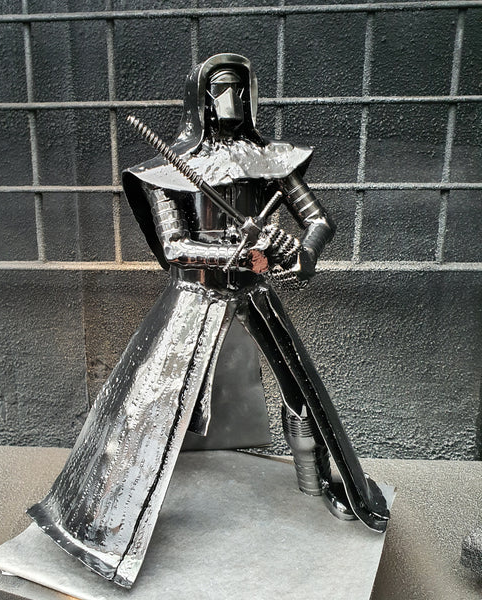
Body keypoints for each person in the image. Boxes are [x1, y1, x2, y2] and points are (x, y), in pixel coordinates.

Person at [28, 53, 389, 589]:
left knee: (300, 390)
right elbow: (175, 246)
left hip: (256, 289)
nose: (231, 100)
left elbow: (317, 220)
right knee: (148, 403)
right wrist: (239, 252)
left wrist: (300, 252)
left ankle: (319, 484)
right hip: (194, 294)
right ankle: (106, 519)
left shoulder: (268, 158)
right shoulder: (171, 166)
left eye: (240, 89)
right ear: (199, 96)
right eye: (221, 88)